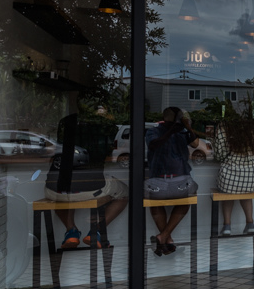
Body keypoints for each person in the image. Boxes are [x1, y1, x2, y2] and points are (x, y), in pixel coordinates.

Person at [45, 113, 128, 249]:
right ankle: (96, 231)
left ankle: (71, 231)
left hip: (54, 190)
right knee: (124, 193)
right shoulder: (100, 136)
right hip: (92, 189)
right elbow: (109, 155)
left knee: (65, 188)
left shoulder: (64, 132)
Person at [145, 107, 200, 255]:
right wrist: (173, 131)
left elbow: (195, 144)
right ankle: (166, 238)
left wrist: (187, 127)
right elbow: (153, 145)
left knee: (156, 201)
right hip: (170, 179)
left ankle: (164, 237)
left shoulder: (180, 131)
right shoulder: (157, 131)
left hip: (165, 180)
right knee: (184, 200)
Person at [213, 117, 254, 235]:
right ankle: (250, 223)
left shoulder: (224, 127)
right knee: (246, 188)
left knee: (227, 193)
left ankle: (227, 226)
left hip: (229, 179)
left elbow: (218, 154)